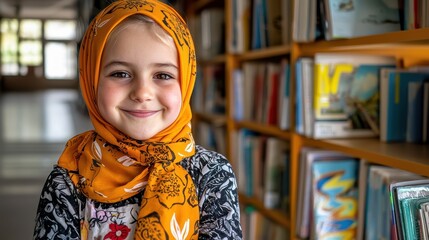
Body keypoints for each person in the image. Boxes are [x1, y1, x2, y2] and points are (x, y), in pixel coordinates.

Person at [33, 0, 243, 239]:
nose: (142, 93)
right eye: (120, 73)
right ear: (91, 80)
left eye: (163, 75)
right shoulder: (68, 180)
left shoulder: (212, 174)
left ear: (186, 81)